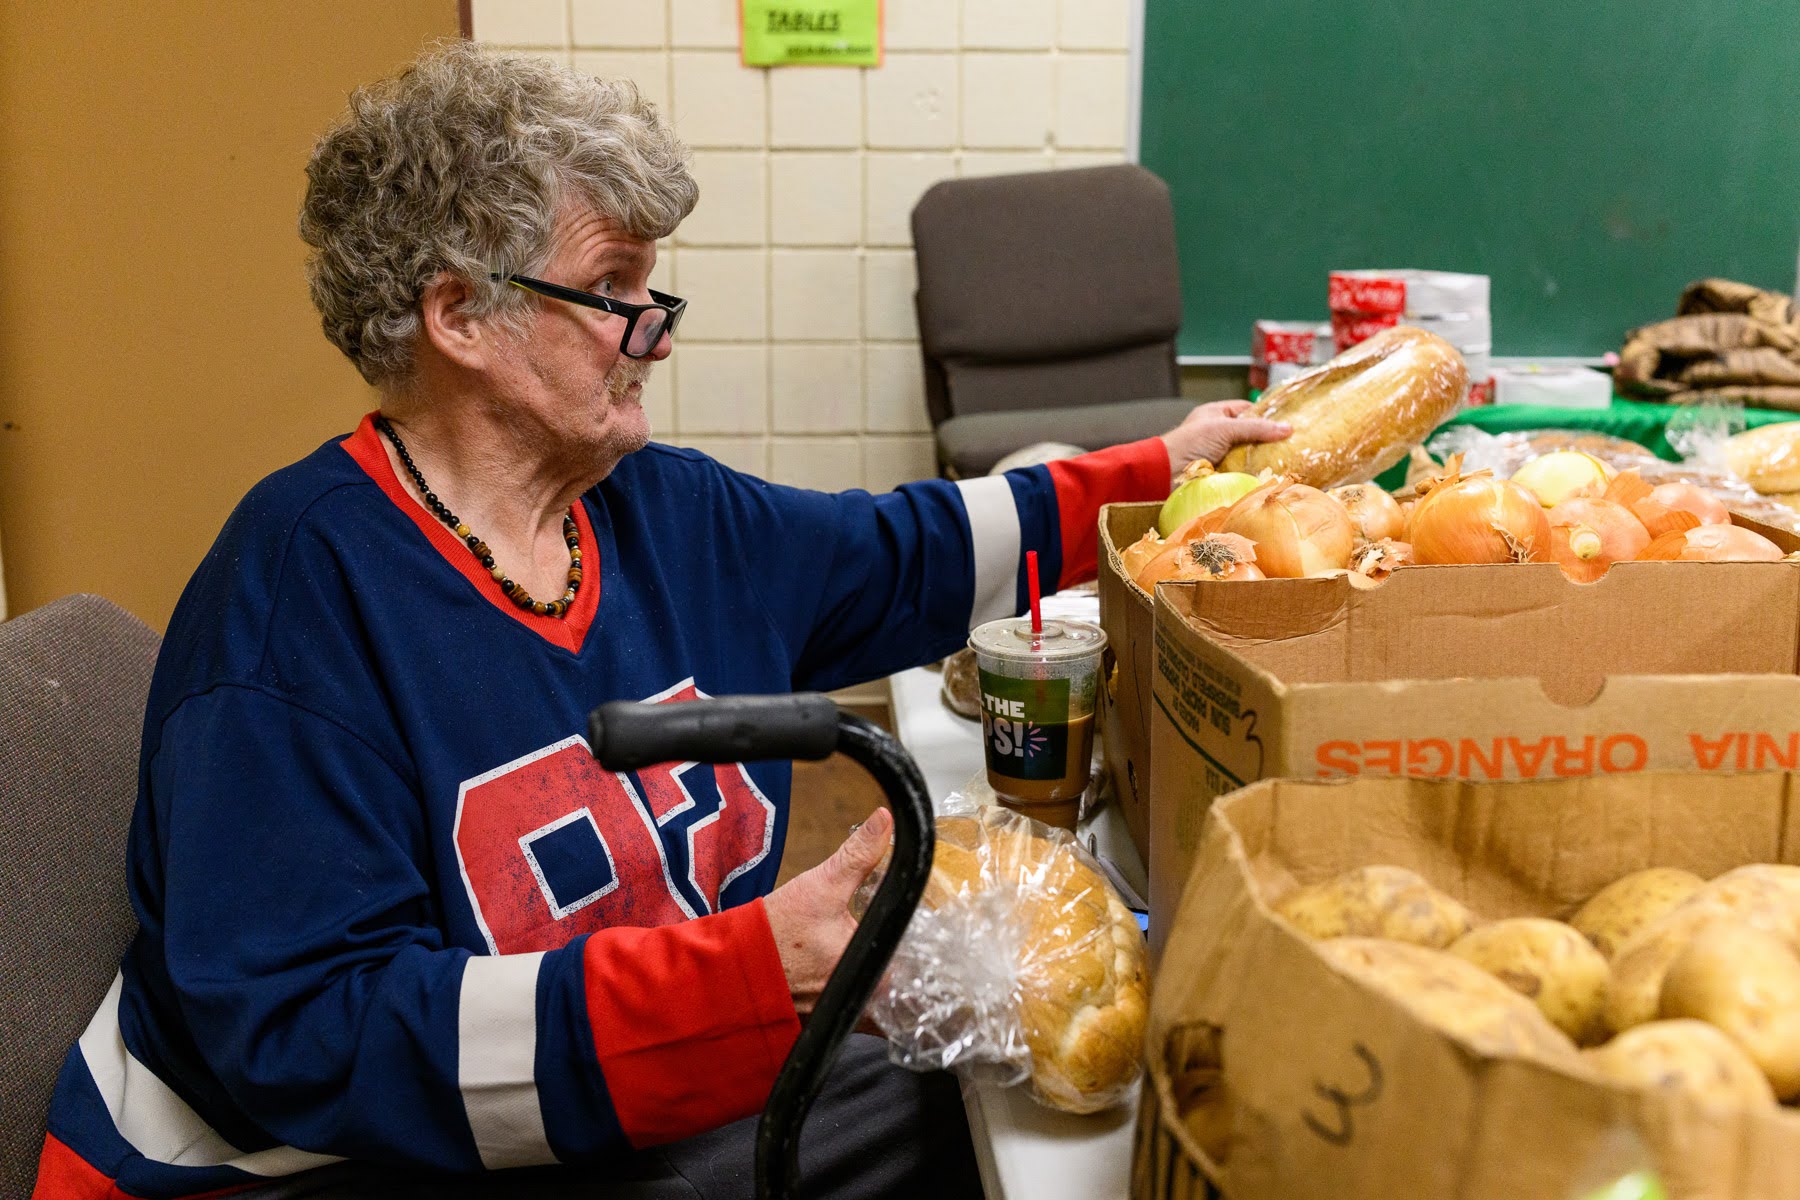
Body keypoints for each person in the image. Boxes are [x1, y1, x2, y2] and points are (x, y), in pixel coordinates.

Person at [31, 42, 1289, 1200]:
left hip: (583, 1102)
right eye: (615, 291)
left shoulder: (655, 510)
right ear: (459, 314)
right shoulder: (297, 602)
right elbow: (311, 1037)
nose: (657, 340)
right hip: (309, 1164)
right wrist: (738, 982)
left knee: (972, 1106)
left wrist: (1168, 470)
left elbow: (903, 553)